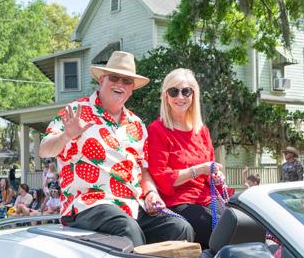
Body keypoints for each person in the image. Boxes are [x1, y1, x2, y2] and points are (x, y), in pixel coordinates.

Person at [39, 51, 193, 246]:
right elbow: (44, 150)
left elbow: (143, 169)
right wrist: (66, 135)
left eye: (126, 81)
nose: (120, 84)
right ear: (102, 80)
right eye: (114, 78)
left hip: (132, 206)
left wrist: (151, 193)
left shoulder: (137, 124)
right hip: (89, 203)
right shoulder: (77, 111)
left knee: (180, 228)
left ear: (131, 89)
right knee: (127, 229)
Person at [147, 68, 226, 249]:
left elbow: (209, 172)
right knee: (219, 231)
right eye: (173, 91)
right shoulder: (157, 129)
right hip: (178, 202)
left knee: (240, 224)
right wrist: (198, 170)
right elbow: (162, 178)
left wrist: (215, 176)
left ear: (193, 95)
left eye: (186, 91)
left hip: (207, 198)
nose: (180, 97)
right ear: (166, 96)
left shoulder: (202, 130)